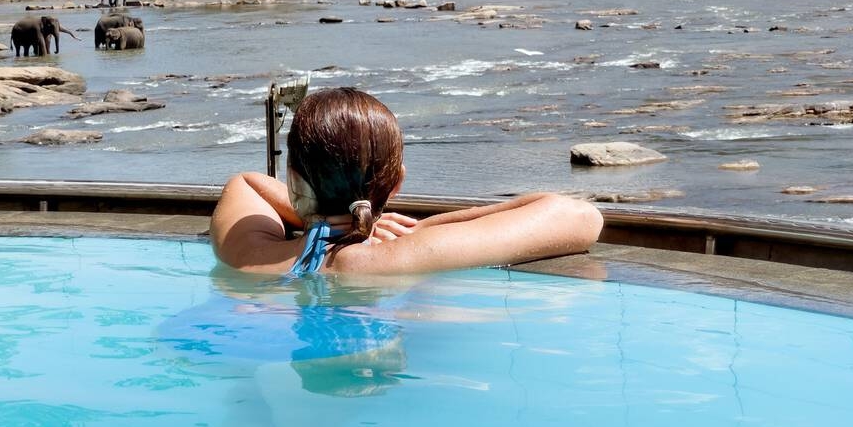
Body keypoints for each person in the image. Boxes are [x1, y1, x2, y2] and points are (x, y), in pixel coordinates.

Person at [211, 87, 604, 275]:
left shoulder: (247, 253)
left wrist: (320, 219)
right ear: (396, 184)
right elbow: (580, 217)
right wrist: (423, 227)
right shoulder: (404, 255)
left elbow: (246, 183)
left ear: (295, 180)